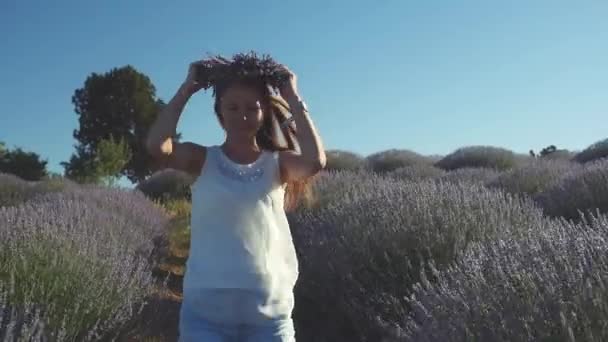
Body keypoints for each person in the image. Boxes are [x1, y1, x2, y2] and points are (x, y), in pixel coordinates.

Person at [146, 55, 326, 342]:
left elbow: (315, 161)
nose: (242, 115)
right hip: (206, 316)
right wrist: (186, 90)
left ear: (264, 113)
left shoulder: (277, 165)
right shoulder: (203, 159)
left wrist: (292, 95)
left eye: (251, 108)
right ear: (219, 112)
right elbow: (158, 145)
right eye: (232, 107)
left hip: (269, 315)